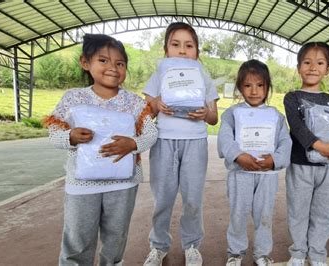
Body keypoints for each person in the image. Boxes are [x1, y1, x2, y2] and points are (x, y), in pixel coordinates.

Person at [44, 34, 158, 265]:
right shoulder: (74, 98)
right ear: (85, 63)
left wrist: (133, 143)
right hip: (82, 186)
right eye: (103, 61)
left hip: (123, 185)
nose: (112, 68)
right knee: (77, 241)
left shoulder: (134, 103)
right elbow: (53, 135)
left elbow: (151, 133)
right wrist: (70, 136)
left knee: (116, 239)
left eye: (120, 63)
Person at [142, 22, 219, 266]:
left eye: (189, 46)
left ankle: (192, 245)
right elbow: (147, 112)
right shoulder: (161, 74)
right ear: (166, 50)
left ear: (197, 51)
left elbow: (214, 116)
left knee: (193, 199)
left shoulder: (203, 76)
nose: (183, 51)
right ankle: (158, 246)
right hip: (164, 140)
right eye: (176, 45)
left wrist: (204, 113)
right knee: (162, 197)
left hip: (194, 142)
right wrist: (158, 103)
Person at [283, 42, 329, 266]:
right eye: (307, 62)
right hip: (300, 165)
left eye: (320, 63)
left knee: (325, 213)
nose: (313, 67)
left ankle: (317, 254)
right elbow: (297, 127)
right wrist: (318, 145)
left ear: (328, 69)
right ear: (299, 67)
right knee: (298, 211)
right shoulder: (292, 97)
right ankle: (297, 253)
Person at [218, 59, 292, 266]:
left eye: (260, 85)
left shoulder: (275, 116)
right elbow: (225, 138)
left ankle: (262, 253)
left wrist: (275, 160)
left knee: (264, 216)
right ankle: (235, 253)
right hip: (240, 174)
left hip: (267, 176)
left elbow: (285, 142)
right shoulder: (232, 113)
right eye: (247, 85)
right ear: (240, 87)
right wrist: (239, 156)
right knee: (238, 214)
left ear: (267, 87)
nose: (254, 91)